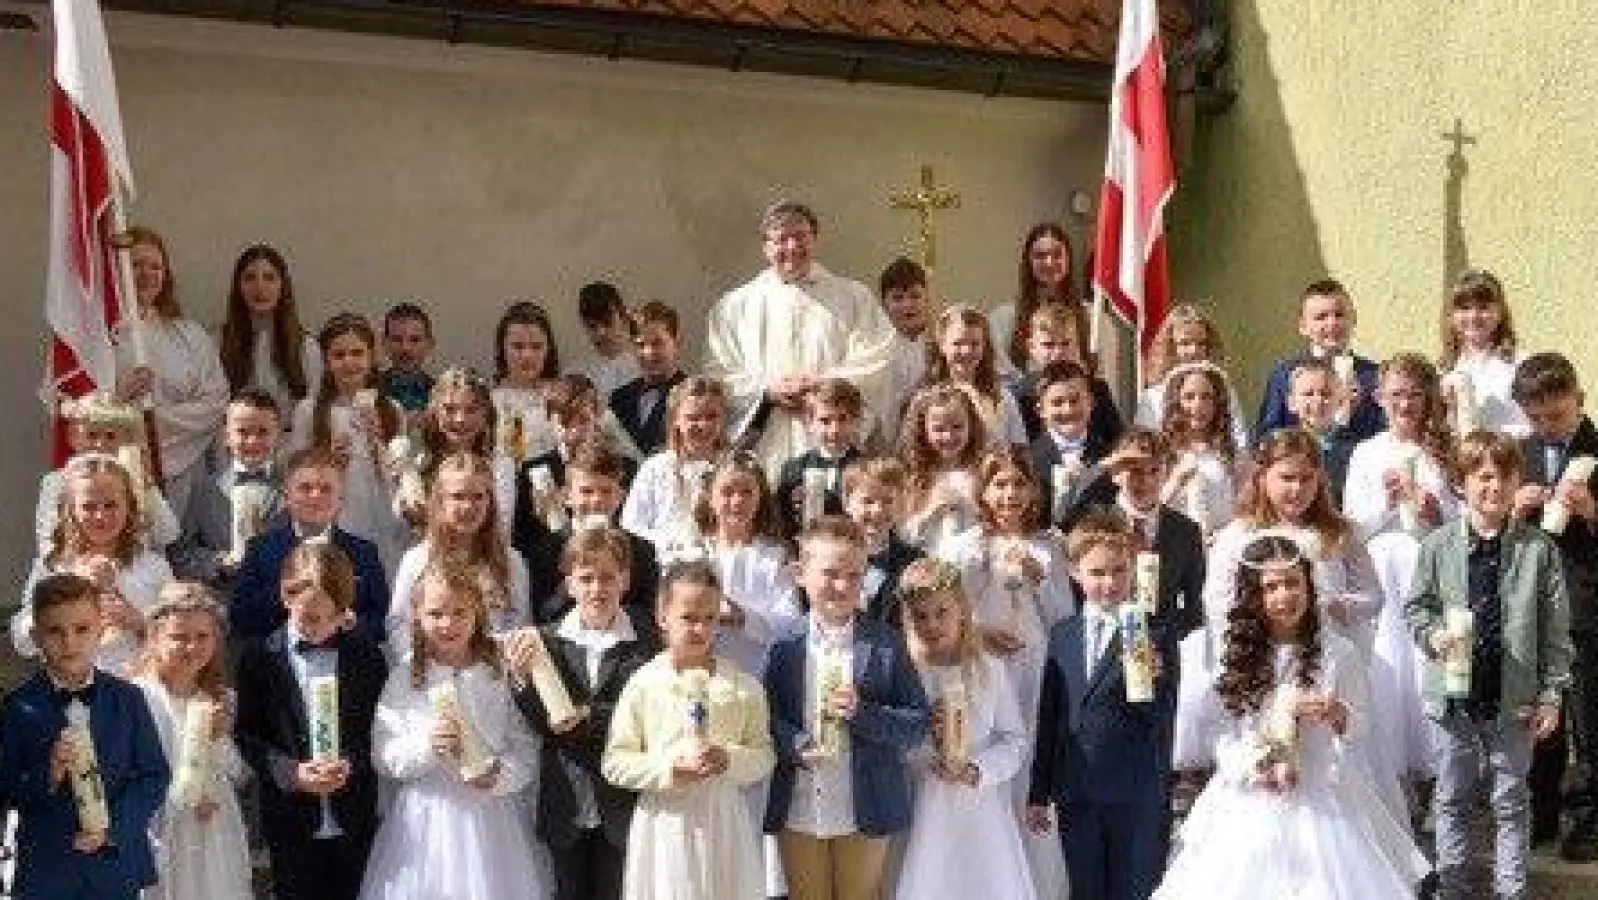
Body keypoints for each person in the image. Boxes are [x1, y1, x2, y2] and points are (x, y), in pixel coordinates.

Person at [1155, 534, 1429, 898]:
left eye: (1292, 583)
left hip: (1322, 792)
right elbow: (1220, 734)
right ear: (1254, 596)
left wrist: (1336, 713)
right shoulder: (1234, 658)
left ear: (1309, 586)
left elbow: (1360, 725)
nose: (1284, 596)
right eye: (1271, 587)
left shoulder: (1337, 653)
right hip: (1248, 793)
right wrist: (1256, 765)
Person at [1406, 430, 1574, 898]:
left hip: (1513, 697)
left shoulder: (1539, 551)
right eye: (1482, 477)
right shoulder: (1436, 546)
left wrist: (1551, 694)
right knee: (1452, 799)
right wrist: (1432, 634)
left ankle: (1511, 892)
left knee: (1510, 803)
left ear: (1518, 480)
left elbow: (1555, 633)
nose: (1494, 487)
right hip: (1452, 695)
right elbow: (1417, 607)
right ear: (1462, 483)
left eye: (1504, 477)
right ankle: (1454, 889)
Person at [358, 562, 549, 900]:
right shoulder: (404, 677)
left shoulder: (497, 672)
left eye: (459, 612)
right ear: (416, 615)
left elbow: (524, 745)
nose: (448, 624)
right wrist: (427, 746)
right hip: (424, 821)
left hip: (492, 819)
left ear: (478, 611)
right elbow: (383, 755)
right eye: (436, 613)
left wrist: (500, 775)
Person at [763, 516, 931, 900]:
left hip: (865, 805)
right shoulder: (783, 645)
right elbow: (767, 717)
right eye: (830, 573)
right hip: (801, 805)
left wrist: (863, 713)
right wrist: (797, 744)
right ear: (801, 574)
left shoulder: (888, 644)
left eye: (854, 575)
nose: (841, 585)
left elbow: (916, 724)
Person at [934, 446, 1072, 898]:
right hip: (984, 669)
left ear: (1033, 489)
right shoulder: (965, 546)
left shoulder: (1050, 544)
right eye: (1000, 484)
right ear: (984, 491)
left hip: (1032, 669)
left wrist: (1042, 582)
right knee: (987, 752)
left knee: (1028, 759)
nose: (1010, 493)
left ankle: (1034, 880)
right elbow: (945, 612)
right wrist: (977, 632)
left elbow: (1063, 619)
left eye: (1018, 483)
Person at [1027, 508, 1177, 900]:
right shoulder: (1062, 635)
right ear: (1076, 573)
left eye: (1118, 571)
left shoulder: (1151, 631)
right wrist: (1038, 791)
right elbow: (1050, 715)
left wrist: (1153, 679)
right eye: (1097, 573)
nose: (1109, 583)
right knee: (1084, 888)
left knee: (1129, 888)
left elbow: (1161, 716)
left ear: (1131, 571)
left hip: (1131, 789)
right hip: (1076, 788)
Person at [603, 562, 776, 900]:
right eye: (688, 617)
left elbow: (764, 754)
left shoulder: (742, 687)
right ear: (663, 616)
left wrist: (728, 759)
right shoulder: (643, 684)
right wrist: (668, 769)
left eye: (709, 618)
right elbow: (615, 761)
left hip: (722, 820)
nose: (699, 628)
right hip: (665, 820)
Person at [506, 526, 660, 900]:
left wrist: (590, 717)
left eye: (608, 578)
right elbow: (543, 722)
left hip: (622, 799)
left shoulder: (647, 642)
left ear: (625, 579)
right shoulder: (546, 641)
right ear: (568, 583)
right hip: (565, 799)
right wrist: (522, 681)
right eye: (586, 579)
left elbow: (647, 712)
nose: (597, 589)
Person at [0, 573, 170, 900]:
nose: (69, 642)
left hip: (114, 868)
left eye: (82, 629)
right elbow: (8, 786)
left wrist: (113, 828)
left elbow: (154, 775)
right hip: (47, 872)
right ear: (36, 637)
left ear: (101, 630)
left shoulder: (129, 699)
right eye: (55, 631)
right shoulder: (18, 706)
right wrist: (47, 775)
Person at [233, 543, 388, 900]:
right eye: (309, 618)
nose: (321, 628)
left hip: (354, 817)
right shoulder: (260, 658)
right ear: (286, 597)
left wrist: (350, 763)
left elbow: (377, 729)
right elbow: (247, 735)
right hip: (290, 821)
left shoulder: (364, 655)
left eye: (333, 617)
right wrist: (291, 773)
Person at [706, 201, 895, 478]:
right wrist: (767, 391)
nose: (792, 247)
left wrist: (822, 387)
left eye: (801, 237)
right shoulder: (734, 307)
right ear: (766, 247)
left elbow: (876, 359)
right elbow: (719, 372)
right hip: (766, 442)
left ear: (814, 240)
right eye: (781, 239)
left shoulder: (854, 298)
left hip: (833, 439)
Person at [893, 557, 1036, 900]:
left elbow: (1014, 740)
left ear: (961, 611)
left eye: (942, 612)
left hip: (979, 808)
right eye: (920, 616)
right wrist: (925, 751)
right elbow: (893, 736)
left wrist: (978, 770)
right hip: (920, 803)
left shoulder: (988, 670)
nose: (932, 624)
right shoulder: (904, 673)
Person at [1509, 352, 1598, 858]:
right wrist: (1512, 512)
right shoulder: (1519, 453)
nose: (1545, 427)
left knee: (1587, 717)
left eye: (1556, 416)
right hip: (1534, 607)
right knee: (1539, 717)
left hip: (1586, 604)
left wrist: (1591, 510)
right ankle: (1539, 815)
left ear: (1580, 401)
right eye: (1535, 418)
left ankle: (1587, 817)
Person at [133, 583, 252, 900]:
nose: (191, 647)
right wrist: (180, 799)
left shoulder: (220, 698)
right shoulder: (141, 697)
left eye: (202, 637)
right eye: (179, 637)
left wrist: (217, 738)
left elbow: (237, 771)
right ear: (156, 638)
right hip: (163, 823)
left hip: (212, 821)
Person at [13, 454, 173, 675]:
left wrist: (139, 622)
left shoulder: (154, 567)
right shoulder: (53, 566)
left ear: (129, 508)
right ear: (71, 511)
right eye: (88, 507)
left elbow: (178, 638)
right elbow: (22, 642)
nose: (100, 516)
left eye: (111, 505)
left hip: (136, 692)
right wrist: (69, 593)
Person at [111, 226, 229, 524]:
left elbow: (215, 401)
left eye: (156, 266)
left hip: (188, 471)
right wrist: (118, 398)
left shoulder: (189, 334)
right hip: (118, 474)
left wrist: (152, 422)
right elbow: (76, 409)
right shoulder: (95, 340)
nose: (147, 274)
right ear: (117, 270)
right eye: (136, 265)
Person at [286, 313, 408, 570]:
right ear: (326, 362)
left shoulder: (392, 410)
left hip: (383, 512)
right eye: (339, 355)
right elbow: (295, 472)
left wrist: (378, 443)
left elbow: (400, 475)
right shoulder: (309, 411)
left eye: (357, 353)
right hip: (337, 513)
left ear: (371, 357)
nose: (348, 362)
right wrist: (329, 461)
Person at [229, 447, 388, 643]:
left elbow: (380, 621)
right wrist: (287, 592)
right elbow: (240, 618)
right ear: (287, 495)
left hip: (346, 663)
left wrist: (347, 624)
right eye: (305, 488)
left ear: (341, 499)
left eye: (326, 489)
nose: (316, 496)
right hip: (279, 667)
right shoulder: (260, 550)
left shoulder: (364, 552)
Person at [386, 453, 533, 653]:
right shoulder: (416, 560)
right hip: (434, 675)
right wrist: (426, 663)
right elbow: (398, 625)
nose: (468, 506)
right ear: (440, 501)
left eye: (478, 497)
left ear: (490, 502)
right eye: (458, 496)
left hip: (494, 673)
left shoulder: (511, 561)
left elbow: (521, 626)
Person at [515, 443, 660, 623]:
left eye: (606, 491)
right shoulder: (544, 551)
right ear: (566, 496)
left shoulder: (642, 551)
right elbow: (542, 614)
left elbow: (649, 612)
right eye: (586, 491)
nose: (597, 499)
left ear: (621, 497)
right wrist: (569, 590)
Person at [698, 453, 804, 677]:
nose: (737, 501)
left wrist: (744, 618)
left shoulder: (774, 556)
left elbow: (789, 622)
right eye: (727, 492)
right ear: (709, 496)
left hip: (758, 674)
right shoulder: (691, 552)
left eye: (747, 492)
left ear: (760, 496)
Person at [170, 387, 287, 588]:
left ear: (278, 434)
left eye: (263, 432)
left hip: (280, 607)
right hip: (224, 606)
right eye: (243, 431)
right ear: (226, 435)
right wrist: (218, 562)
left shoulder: (295, 487)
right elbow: (180, 555)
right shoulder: (204, 491)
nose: (253, 441)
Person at [37, 391, 179, 554]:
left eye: (111, 436)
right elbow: (48, 540)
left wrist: (148, 486)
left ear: (126, 441)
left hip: (132, 567)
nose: (100, 444)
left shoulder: (135, 479)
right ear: (73, 437)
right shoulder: (57, 482)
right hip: (74, 567)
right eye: (91, 435)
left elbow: (168, 534)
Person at [1254, 278, 1385, 442]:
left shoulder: (1375, 376)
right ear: (1303, 327)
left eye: (1339, 314)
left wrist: (1355, 410)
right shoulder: (1284, 374)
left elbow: (1385, 435)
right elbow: (1267, 435)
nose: (1332, 323)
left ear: (1354, 319)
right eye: (1321, 317)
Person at [621, 376, 728, 552]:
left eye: (711, 416)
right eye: (693, 418)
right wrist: (670, 544)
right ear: (676, 419)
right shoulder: (656, 467)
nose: (703, 425)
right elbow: (632, 524)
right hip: (667, 561)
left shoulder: (735, 466)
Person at [216, 244, 321, 424]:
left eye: (269, 278)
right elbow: (215, 410)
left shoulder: (305, 346)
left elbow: (314, 409)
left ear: (283, 286)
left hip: (293, 448)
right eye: (249, 278)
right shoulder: (219, 343)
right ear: (238, 287)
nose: (260, 287)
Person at [1135, 303, 1250, 453]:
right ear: (1170, 347)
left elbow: (1239, 439)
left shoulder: (1224, 390)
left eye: (1201, 343)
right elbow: (1146, 446)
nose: (1194, 351)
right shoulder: (1152, 397)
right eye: (1185, 343)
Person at [1006, 301, 1124, 448]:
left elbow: (1118, 442)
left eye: (1066, 343)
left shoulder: (1097, 389)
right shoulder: (1018, 395)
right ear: (1031, 347)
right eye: (1048, 345)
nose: (1058, 352)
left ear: (1077, 344)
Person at [1153, 362, 1243, 536]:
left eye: (1207, 397)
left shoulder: (1230, 454)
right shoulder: (1160, 452)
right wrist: (1176, 481)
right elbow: (1148, 510)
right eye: (1189, 397)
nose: (1198, 405)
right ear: (1176, 402)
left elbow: (1242, 510)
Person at [1438, 268, 1529, 437]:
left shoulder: (1521, 364)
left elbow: (1533, 426)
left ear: (1500, 312)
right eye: (1464, 308)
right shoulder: (1445, 369)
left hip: (1509, 458)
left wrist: (1490, 439)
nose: (1473, 316)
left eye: (1483, 308)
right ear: (1451, 316)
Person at [921, 305, 1028, 447]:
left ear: (985, 346)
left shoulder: (1001, 395)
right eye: (958, 343)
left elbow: (1019, 448)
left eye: (974, 344)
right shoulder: (925, 397)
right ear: (942, 345)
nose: (966, 351)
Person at [897, 383, 986, 550]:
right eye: (939, 429)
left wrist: (974, 508)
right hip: (929, 564)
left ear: (971, 426)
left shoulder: (982, 472)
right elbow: (902, 536)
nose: (949, 436)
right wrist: (931, 511)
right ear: (924, 431)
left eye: (957, 427)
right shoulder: (913, 477)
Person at [775, 378, 866, 538]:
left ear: (856, 421)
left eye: (843, 419)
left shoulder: (866, 467)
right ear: (809, 423)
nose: (834, 430)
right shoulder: (793, 469)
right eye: (825, 421)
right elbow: (783, 519)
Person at [1027, 361, 1113, 525]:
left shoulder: (1110, 455)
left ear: (1091, 403)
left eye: (1075, 400)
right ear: (1040, 411)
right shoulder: (1027, 459)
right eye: (1057, 402)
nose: (1068, 410)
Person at [841, 458, 923, 623]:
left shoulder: (914, 562)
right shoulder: (829, 555)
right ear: (847, 503)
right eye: (868, 501)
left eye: (888, 501)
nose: (878, 510)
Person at [990, 223, 1076, 376]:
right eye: (1040, 255)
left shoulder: (1092, 316)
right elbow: (1002, 378)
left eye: (1057, 255)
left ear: (1068, 260)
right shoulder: (1002, 318)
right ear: (1028, 262)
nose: (1049, 262)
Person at [491, 301, 563, 467]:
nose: (527, 356)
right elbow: (515, 458)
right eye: (518, 347)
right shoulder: (491, 404)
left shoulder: (565, 396)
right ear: (502, 349)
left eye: (536, 347)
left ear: (548, 349)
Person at [610, 301, 687, 456]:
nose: (649, 353)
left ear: (677, 343)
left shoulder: (691, 396)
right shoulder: (619, 398)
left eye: (657, 343)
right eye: (640, 345)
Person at [873, 257, 932, 445]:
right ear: (884, 303)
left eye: (915, 296)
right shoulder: (875, 350)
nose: (908, 305)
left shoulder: (942, 344)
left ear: (927, 298)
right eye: (897, 298)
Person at [576, 281, 641, 402]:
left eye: (607, 323)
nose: (601, 332)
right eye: (592, 326)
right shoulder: (578, 374)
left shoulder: (648, 366)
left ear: (623, 318)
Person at [378, 302, 438, 417]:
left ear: (429, 344)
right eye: (397, 339)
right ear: (384, 343)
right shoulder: (368, 391)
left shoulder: (442, 397)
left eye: (415, 340)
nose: (405, 348)